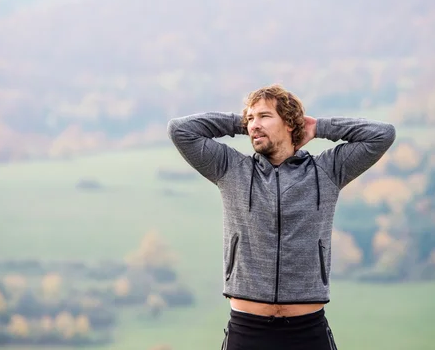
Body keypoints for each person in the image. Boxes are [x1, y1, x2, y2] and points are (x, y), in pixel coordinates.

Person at [167, 84, 396, 350]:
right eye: (250, 118)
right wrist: (244, 124)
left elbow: (382, 135)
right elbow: (179, 130)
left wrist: (319, 127)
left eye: (264, 116)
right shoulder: (231, 169)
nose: (254, 124)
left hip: (307, 330)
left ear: (290, 123)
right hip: (247, 328)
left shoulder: (328, 170)